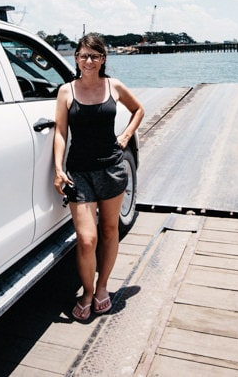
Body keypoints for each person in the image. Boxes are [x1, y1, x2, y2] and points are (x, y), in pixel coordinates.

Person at [53, 34, 144, 321]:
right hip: (79, 172)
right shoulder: (66, 91)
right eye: (83, 55)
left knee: (108, 230)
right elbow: (60, 132)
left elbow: (138, 109)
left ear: (103, 59)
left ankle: (102, 288)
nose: (88, 61)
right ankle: (87, 291)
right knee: (86, 239)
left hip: (112, 170)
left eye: (94, 56)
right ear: (76, 58)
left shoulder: (113, 86)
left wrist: (126, 135)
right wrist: (58, 168)